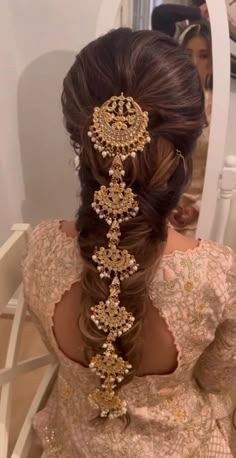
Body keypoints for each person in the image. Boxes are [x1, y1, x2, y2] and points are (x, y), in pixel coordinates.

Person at [23, 28, 236, 457]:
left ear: (80, 141)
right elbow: (218, 381)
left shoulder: (43, 248)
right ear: (187, 146)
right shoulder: (218, 275)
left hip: (73, 441)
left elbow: (55, 353)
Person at [171, 21, 212, 235]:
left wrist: (197, 209)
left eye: (203, 55)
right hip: (164, 211)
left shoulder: (220, 112)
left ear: (212, 62)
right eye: (188, 55)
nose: (194, 62)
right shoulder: (167, 106)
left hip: (207, 214)